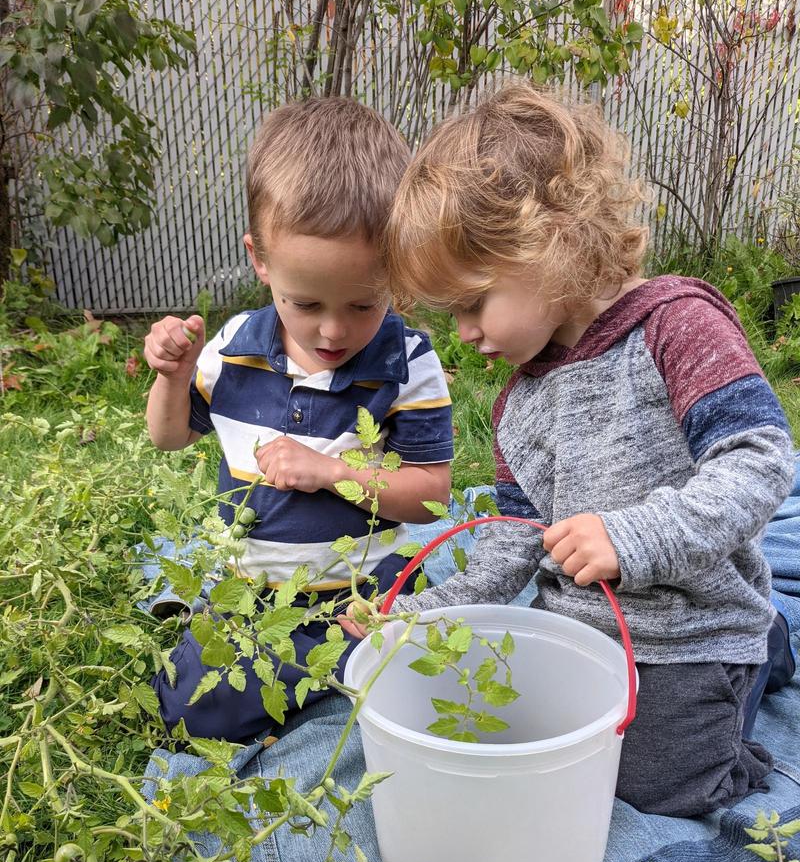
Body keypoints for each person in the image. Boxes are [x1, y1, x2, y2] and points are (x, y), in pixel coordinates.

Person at [345, 83, 796, 818]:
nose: (461, 332)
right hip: (579, 630)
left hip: (688, 628)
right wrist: (416, 615)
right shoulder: (519, 404)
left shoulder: (676, 326)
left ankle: (757, 655)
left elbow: (761, 457)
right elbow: (508, 545)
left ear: (551, 241)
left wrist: (630, 534)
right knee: (520, 734)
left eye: (473, 301)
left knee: (655, 783)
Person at [143, 97, 454, 742]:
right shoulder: (232, 350)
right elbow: (168, 436)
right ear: (261, 261)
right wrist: (171, 377)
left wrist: (333, 472)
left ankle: (339, 686)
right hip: (260, 599)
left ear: (397, 265)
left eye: (364, 305)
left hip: (363, 598)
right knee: (188, 709)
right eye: (306, 303)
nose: (334, 330)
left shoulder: (409, 364)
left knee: (424, 696)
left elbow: (430, 501)